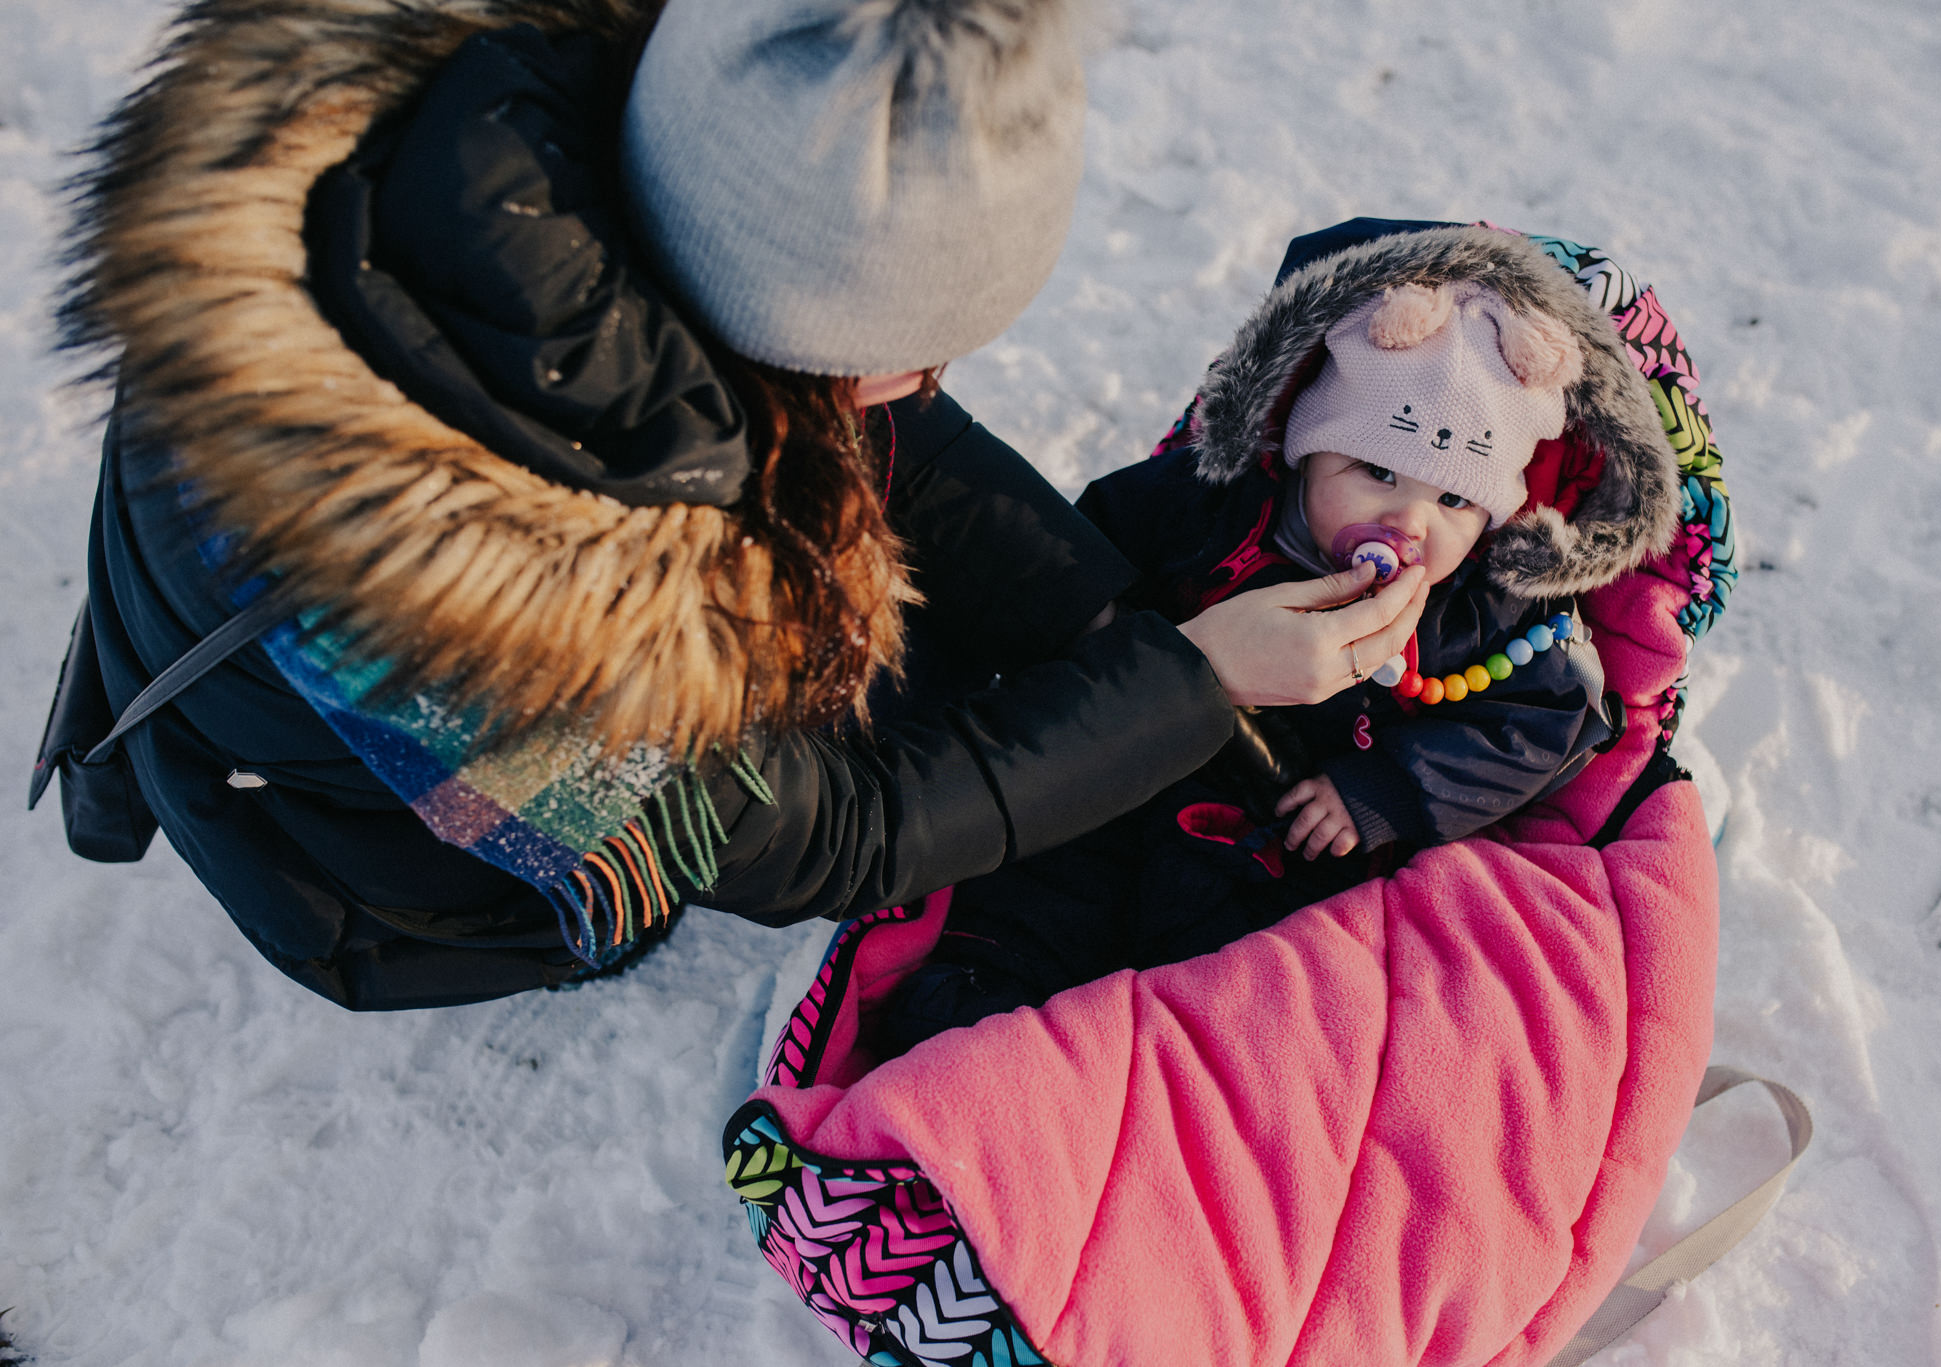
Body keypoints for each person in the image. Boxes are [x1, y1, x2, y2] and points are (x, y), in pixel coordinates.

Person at [52, 0, 1426, 1010]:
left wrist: (1114, 621)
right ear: (785, 337)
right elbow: (821, 838)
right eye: (917, 354)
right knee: (847, 723)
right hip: (374, 863)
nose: (934, 383)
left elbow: (887, 438)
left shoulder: (569, 128)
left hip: (268, 574)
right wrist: (1183, 679)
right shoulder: (486, 623)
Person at [886, 222, 1677, 1047]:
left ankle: (1158, 1065)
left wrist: (1384, 789)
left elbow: (1545, 722)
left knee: (1249, 963)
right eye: (1376, 472)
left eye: (1454, 502)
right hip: (1131, 758)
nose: (1409, 521)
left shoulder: (1486, 606)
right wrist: (1105, 644)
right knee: (1046, 870)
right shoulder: (1213, 505)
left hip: (1287, 827)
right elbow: (1086, 550)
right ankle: (978, 1013)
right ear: (1308, 450)